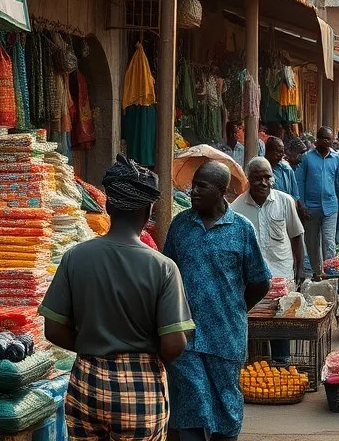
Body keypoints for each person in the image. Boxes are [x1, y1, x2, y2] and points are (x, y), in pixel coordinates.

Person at [40, 156, 193, 441]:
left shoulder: (75, 257)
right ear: (148, 211)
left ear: (108, 206)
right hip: (141, 387)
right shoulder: (162, 267)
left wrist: (92, 347)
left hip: (86, 381)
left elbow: (53, 329)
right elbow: (174, 343)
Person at [163, 161, 271, 441]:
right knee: (191, 406)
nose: (193, 191)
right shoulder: (180, 226)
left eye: (202, 186)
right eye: (193, 185)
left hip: (226, 336)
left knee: (226, 411)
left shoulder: (241, 229)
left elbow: (260, 281)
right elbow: (168, 276)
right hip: (186, 336)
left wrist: (235, 308)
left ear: (222, 191)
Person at [232, 157, 305, 366]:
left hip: (282, 275)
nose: (263, 182)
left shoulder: (285, 201)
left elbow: (297, 235)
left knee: (280, 322)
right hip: (253, 280)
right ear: (248, 179)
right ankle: (257, 367)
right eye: (257, 178)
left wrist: (300, 268)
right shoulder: (236, 208)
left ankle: (281, 363)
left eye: (267, 177)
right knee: (255, 322)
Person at [295, 127, 339, 280]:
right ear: (317, 140)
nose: (327, 142)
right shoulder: (307, 158)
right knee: (312, 242)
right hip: (311, 207)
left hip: (331, 207)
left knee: (329, 241)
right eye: (324, 139)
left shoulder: (336, 159)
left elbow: (338, 181)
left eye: (329, 139)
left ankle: (330, 272)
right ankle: (317, 272)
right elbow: (300, 181)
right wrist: (302, 204)